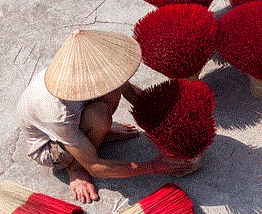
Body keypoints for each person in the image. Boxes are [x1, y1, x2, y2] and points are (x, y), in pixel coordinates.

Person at [18, 28, 191, 203]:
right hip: (52, 147)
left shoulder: (89, 67)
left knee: (112, 91)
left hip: (73, 121)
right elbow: (95, 166)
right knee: (98, 119)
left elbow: (130, 92)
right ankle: (76, 167)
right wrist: (154, 167)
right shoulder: (57, 112)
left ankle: (97, 135)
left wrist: (168, 125)